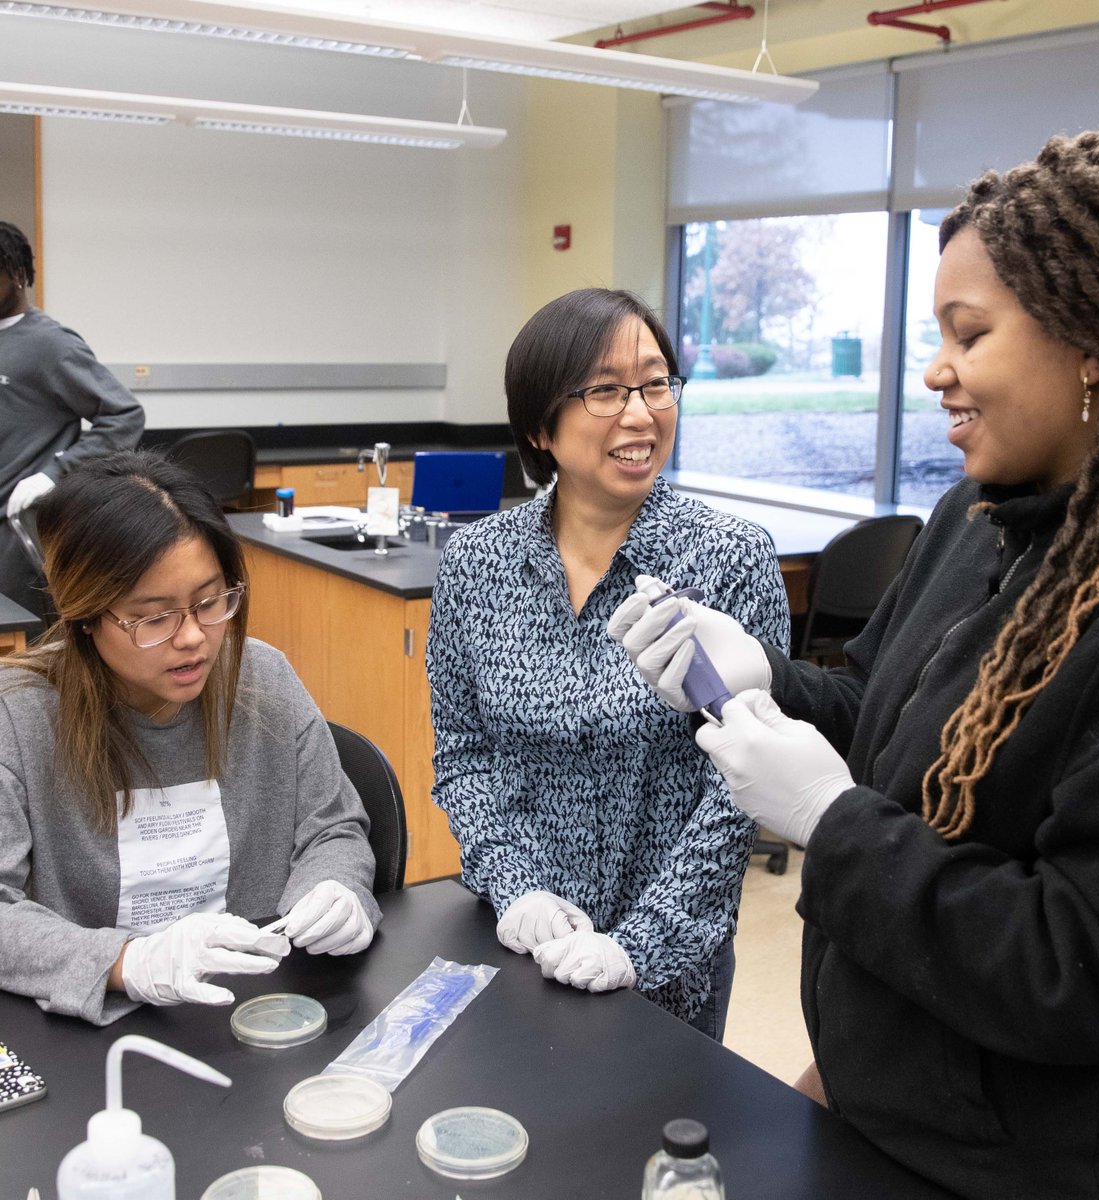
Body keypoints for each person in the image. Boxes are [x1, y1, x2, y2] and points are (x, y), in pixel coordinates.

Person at [610, 130, 1099, 1197]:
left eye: (968, 335)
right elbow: (875, 713)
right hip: (895, 1107)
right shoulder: (976, 518)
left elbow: (1098, 972)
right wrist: (767, 682)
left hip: (1043, 1168)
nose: (935, 370)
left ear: (1098, 342)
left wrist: (835, 827)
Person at [427, 288, 790, 1038]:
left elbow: (741, 786)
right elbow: (463, 755)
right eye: (605, 390)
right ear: (539, 426)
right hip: (517, 938)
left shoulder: (727, 558)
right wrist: (515, 886)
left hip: (669, 961)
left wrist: (639, 944)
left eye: (656, 383)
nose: (640, 412)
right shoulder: (475, 563)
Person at [0, 450, 381, 1026]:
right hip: (102, 1033)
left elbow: (333, 827)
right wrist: (126, 961)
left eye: (210, 601)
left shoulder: (262, 677)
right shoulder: (19, 717)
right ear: (84, 614)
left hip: (263, 1009)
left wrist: (337, 885)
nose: (194, 639)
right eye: (153, 617)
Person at [0, 221, 144, 621]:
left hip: (14, 531)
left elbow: (124, 415)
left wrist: (53, 474)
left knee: (24, 652)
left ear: (16, 275)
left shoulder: (52, 344)